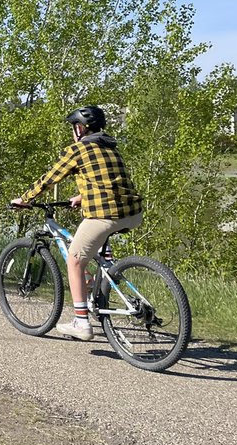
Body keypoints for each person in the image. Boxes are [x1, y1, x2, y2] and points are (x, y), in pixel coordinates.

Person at [10, 105, 144, 342]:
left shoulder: (78, 149)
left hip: (105, 214)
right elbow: (110, 180)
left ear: (80, 128)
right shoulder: (111, 147)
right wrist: (82, 197)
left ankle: (81, 322)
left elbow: (50, 178)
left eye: (74, 127)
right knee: (95, 253)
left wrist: (25, 199)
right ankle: (99, 283)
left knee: (74, 260)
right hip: (132, 213)